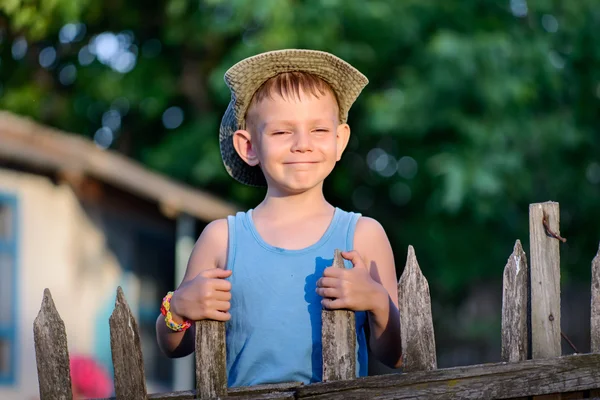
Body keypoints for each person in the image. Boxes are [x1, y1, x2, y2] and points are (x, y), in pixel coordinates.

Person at [156, 49, 402, 387]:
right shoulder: (221, 239)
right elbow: (175, 348)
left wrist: (377, 302)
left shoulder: (363, 236)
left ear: (339, 139)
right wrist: (179, 308)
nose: (302, 144)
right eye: (282, 132)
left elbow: (398, 355)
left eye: (317, 130)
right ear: (249, 147)